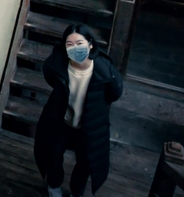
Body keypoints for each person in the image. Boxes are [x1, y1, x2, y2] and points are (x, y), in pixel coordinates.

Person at [34, 23, 124, 197]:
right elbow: (50, 78)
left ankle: (77, 193)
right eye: (70, 44)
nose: (75, 49)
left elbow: (115, 92)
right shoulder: (57, 63)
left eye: (80, 43)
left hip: (89, 125)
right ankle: (54, 187)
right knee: (53, 155)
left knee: (85, 163)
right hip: (62, 120)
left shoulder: (105, 70)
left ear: (90, 44)